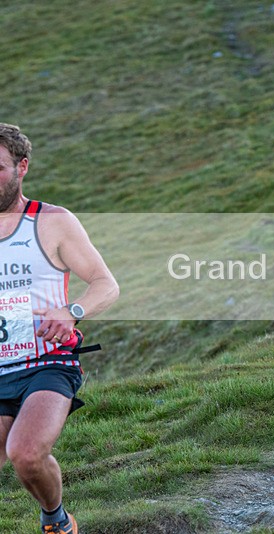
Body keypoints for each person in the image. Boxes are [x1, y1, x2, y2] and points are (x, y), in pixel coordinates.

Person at [0, 124, 119, 534]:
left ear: (22, 167)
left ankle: (57, 521)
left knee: (26, 453)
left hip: (47, 362)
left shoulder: (52, 222)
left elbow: (106, 284)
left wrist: (72, 310)